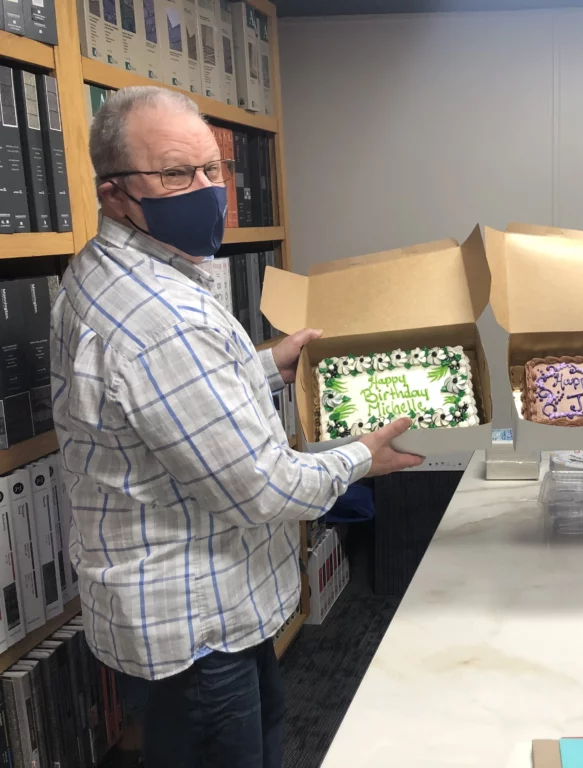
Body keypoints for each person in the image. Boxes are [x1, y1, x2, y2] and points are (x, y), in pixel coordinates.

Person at [50, 86, 423, 768]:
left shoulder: (105, 269)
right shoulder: (164, 316)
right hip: (198, 624)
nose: (205, 190)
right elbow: (262, 487)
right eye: (174, 174)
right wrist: (360, 459)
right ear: (115, 194)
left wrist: (267, 366)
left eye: (210, 168)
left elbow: (166, 401)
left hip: (187, 607)